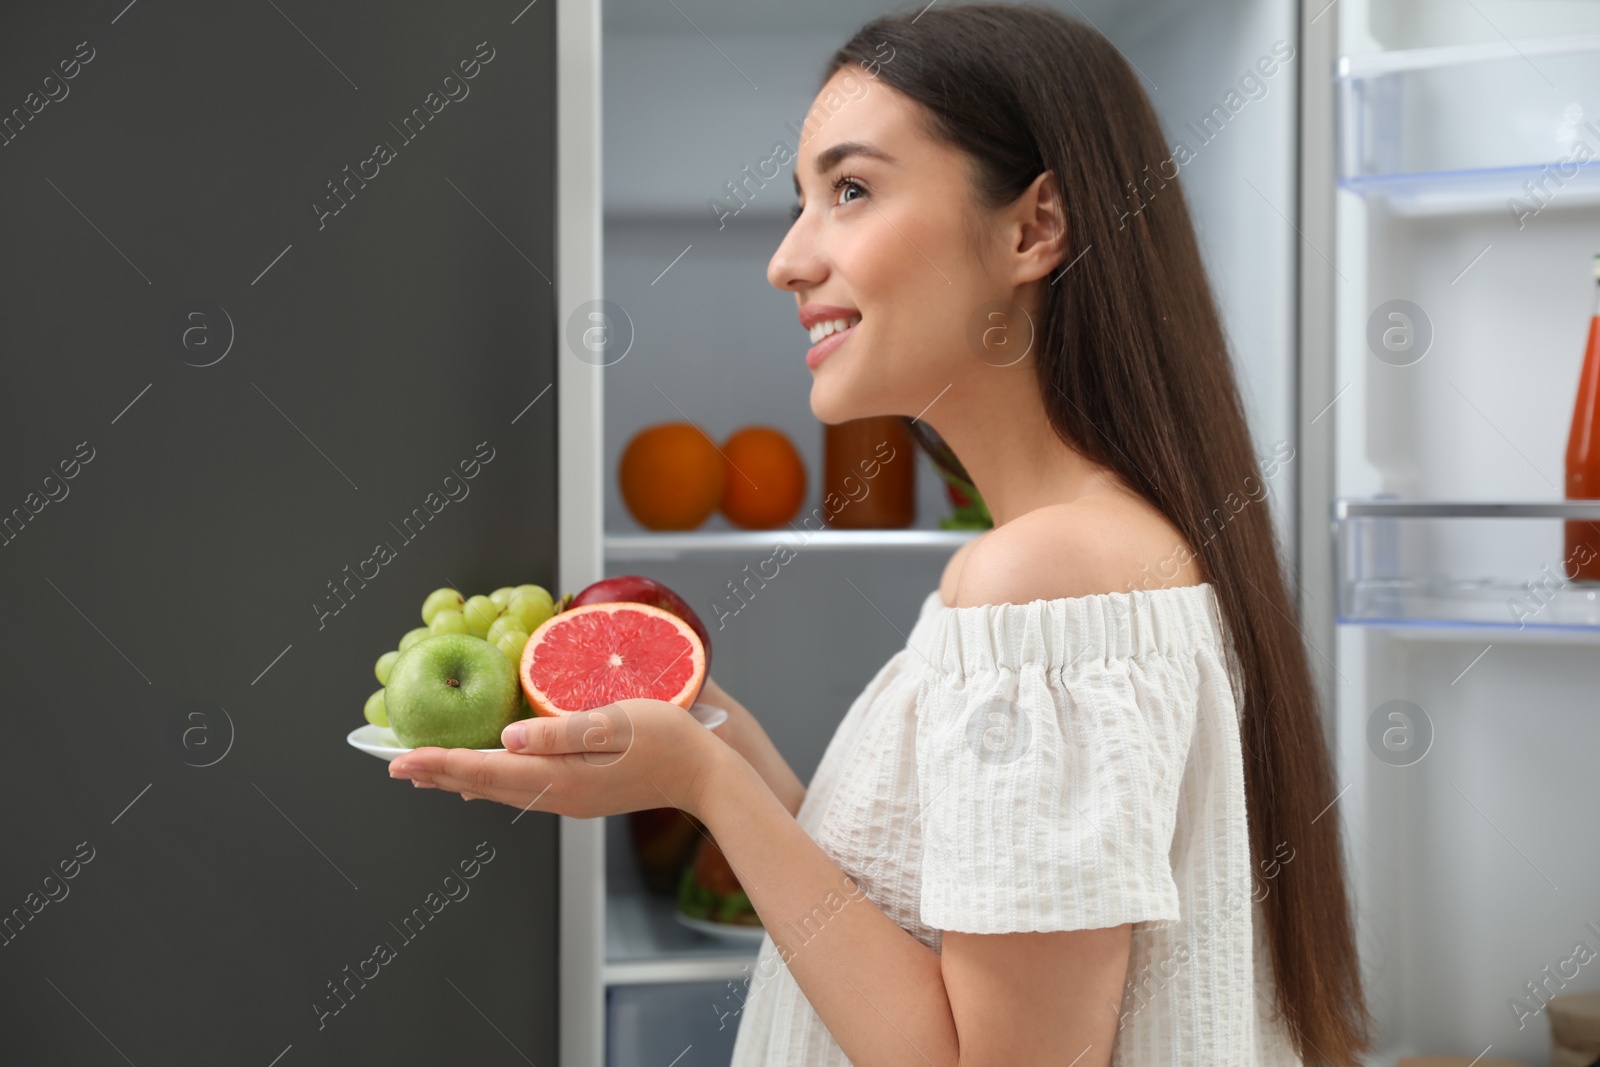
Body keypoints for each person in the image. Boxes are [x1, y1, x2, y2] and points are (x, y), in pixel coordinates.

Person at [388, 4, 1371, 1063]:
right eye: (801, 199)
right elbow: (935, 927)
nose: (787, 260)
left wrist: (704, 784)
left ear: (1033, 229)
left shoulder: (1041, 578)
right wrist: (726, 745)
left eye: (850, 190)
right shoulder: (1085, 550)